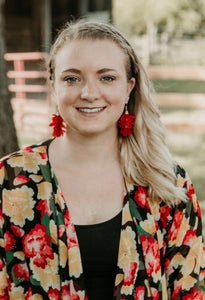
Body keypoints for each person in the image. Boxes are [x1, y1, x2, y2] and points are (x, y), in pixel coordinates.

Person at [0, 20, 204, 300]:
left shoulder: (167, 181)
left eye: (106, 77)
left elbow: (191, 292)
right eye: (72, 78)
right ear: (53, 86)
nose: (89, 93)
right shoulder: (11, 179)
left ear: (129, 87)